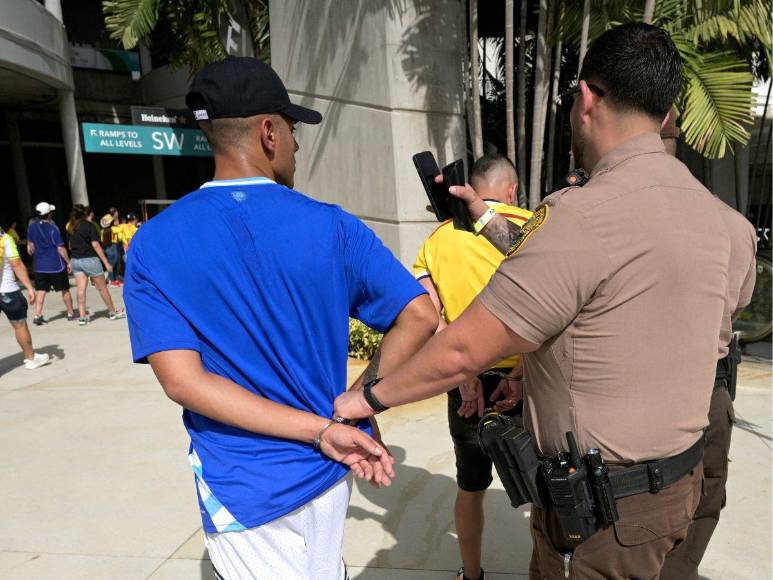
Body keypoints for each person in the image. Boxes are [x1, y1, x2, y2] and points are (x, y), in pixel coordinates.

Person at [335, 23, 744, 579]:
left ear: (586, 99)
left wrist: (367, 400)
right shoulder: (722, 220)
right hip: (679, 490)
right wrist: (535, 376)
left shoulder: (580, 215)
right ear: (667, 109)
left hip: (605, 517)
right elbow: (682, 334)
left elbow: (463, 350)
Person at [123, 56, 438, 580]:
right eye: (293, 129)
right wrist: (356, 401)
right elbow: (420, 315)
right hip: (329, 470)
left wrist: (320, 431)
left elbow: (184, 382)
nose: (297, 144)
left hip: (244, 482)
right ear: (269, 132)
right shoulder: (333, 227)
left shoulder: (154, 243)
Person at [413, 153, 531, 580]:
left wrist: (465, 375)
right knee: (543, 490)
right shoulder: (531, 231)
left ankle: (472, 573)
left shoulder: (440, 238)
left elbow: (429, 314)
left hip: (464, 386)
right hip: (523, 384)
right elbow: (549, 316)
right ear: (512, 191)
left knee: (470, 487)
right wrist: (517, 376)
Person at [659, 123, 757, 580]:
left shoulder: (596, 213)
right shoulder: (734, 225)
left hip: (628, 390)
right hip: (709, 383)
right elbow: (740, 301)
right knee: (705, 494)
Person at [0, 227, 51, 369]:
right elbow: (16, 264)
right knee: (19, 325)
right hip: (7, 291)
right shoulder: (5, 239)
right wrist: (29, 287)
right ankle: (30, 358)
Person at [68, 206, 125, 325]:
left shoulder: (71, 227)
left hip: (76, 260)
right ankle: (112, 312)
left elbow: (69, 245)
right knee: (102, 288)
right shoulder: (89, 226)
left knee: (81, 289)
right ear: (85, 214)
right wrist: (106, 262)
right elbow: (95, 245)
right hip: (90, 260)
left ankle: (82, 317)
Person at [26, 202, 75, 324]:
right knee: (65, 289)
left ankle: (37, 315)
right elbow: (60, 248)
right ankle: (70, 313)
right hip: (56, 266)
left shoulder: (32, 227)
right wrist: (68, 262)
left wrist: (34, 250)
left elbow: (30, 246)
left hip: (40, 266)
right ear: (48, 215)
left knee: (41, 291)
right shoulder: (53, 229)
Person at [100, 214, 122, 286]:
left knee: (111, 263)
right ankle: (112, 280)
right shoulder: (114, 229)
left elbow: (102, 241)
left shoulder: (102, 231)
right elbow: (120, 232)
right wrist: (117, 223)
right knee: (114, 264)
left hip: (106, 247)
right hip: (113, 246)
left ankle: (112, 279)